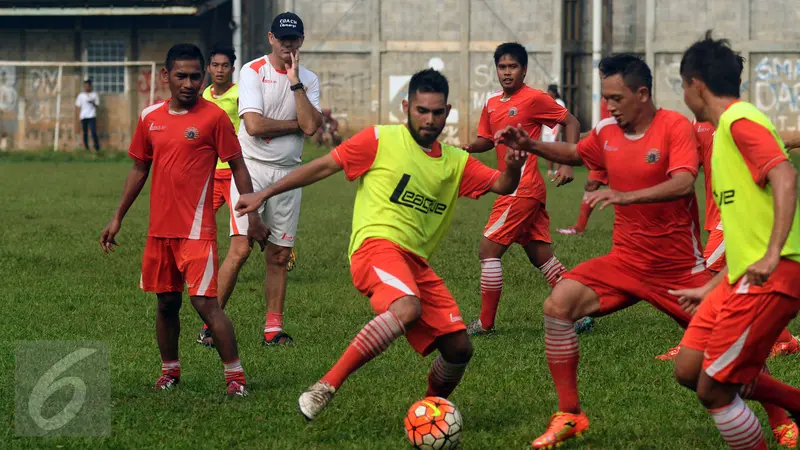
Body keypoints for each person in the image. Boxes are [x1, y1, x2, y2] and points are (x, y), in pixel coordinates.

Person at [497, 53, 797, 449]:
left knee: (716, 365)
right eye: (605, 98)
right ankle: (570, 413)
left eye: (617, 98)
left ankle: (781, 415)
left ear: (642, 94)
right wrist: (530, 144)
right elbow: (577, 154)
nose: (610, 107)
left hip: (678, 270)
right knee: (558, 306)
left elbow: (684, 182)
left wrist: (625, 195)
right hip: (624, 261)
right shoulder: (606, 131)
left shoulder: (677, 127)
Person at [234, 69, 526, 421]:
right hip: (374, 248)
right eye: (421, 110)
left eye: (436, 112)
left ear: (447, 112)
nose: (429, 119)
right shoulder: (378, 139)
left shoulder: (456, 162)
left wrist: (512, 165)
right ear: (406, 106)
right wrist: (263, 193)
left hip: (415, 263)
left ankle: (428, 412)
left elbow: (503, 186)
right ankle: (324, 387)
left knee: (459, 348)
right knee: (406, 307)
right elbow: (322, 167)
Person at [99, 43, 267, 397]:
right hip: (159, 231)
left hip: (197, 231)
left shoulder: (214, 118)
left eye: (195, 76)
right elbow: (139, 168)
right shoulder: (150, 117)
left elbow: (238, 165)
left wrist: (252, 215)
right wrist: (117, 218)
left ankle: (235, 378)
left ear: (203, 75)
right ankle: (170, 373)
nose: (189, 83)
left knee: (205, 302)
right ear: (166, 76)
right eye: (181, 76)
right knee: (166, 302)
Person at [669, 32, 800, 449]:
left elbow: (785, 175)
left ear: (696, 85)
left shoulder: (741, 122)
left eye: (682, 84)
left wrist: (774, 253)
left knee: (714, 388)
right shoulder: (722, 130)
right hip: (737, 277)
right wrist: (710, 285)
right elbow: (748, 226)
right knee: (689, 369)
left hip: (773, 276)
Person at [461, 43, 583, 336]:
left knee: (488, 249)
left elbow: (571, 121)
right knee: (541, 257)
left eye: (512, 66)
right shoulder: (491, 104)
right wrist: (466, 148)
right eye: (502, 67)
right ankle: (580, 313)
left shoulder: (534, 99)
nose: (506, 72)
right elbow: (487, 140)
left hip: (521, 189)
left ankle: (486, 324)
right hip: (518, 189)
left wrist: (568, 163)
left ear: (524, 69)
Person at [653, 120, 800, 362]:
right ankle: (783, 339)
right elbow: (684, 166)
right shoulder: (697, 125)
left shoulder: (740, 121)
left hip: (735, 219)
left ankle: (691, 345)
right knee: (741, 286)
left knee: (703, 278)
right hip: (719, 216)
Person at [220, 11, 322, 346]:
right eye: (281, 39)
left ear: (301, 41)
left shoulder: (308, 79)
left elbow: (311, 124)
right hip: (249, 168)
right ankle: (211, 324)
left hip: (289, 173)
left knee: (279, 255)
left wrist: (295, 83)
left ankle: (273, 330)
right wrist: (298, 125)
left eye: (293, 39)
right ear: (271, 39)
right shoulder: (252, 71)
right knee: (240, 248)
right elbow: (254, 126)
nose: (287, 45)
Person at [555, 98, 612, 236]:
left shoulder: (619, 92)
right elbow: (605, 126)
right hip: (605, 148)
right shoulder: (606, 95)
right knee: (591, 184)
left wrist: (582, 136)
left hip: (618, 148)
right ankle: (579, 228)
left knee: (631, 187)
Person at [543, 84, 566, 177]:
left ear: (553, 92)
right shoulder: (546, 102)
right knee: (547, 152)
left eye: (549, 92)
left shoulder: (560, 103)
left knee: (556, 152)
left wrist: (558, 134)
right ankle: (550, 170)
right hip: (546, 131)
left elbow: (562, 119)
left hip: (554, 131)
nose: (548, 93)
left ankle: (558, 170)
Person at [75, 79, 100, 152]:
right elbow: (78, 107)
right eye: (85, 86)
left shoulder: (94, 95)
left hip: (92, 116)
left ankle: (97, 147)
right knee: (85, 132)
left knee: (93, 131)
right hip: (84, 116)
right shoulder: (81, 95)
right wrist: (78, 118)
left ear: (90, 86)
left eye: (88, 86)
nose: (86, 87)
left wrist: (92, 102)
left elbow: (97, 105)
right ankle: (86, 147)